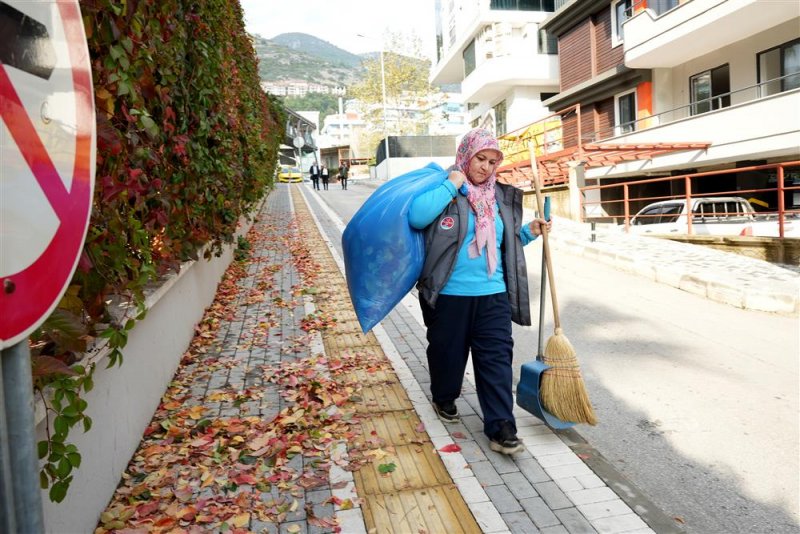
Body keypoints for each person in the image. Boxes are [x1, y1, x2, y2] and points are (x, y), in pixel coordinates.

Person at [408, 128, 551, 456]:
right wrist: (452, 184)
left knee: (497, 360)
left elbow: (504, 242)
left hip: (493, 294)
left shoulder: (498, 196)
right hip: (449, 294)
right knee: (447, 355)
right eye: (480, 159)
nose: (486, 167)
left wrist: (528, 233)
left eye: (492, 161)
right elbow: (418, 218)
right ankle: (444, 396)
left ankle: (501, 426)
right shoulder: (446, 188)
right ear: (465, 156)